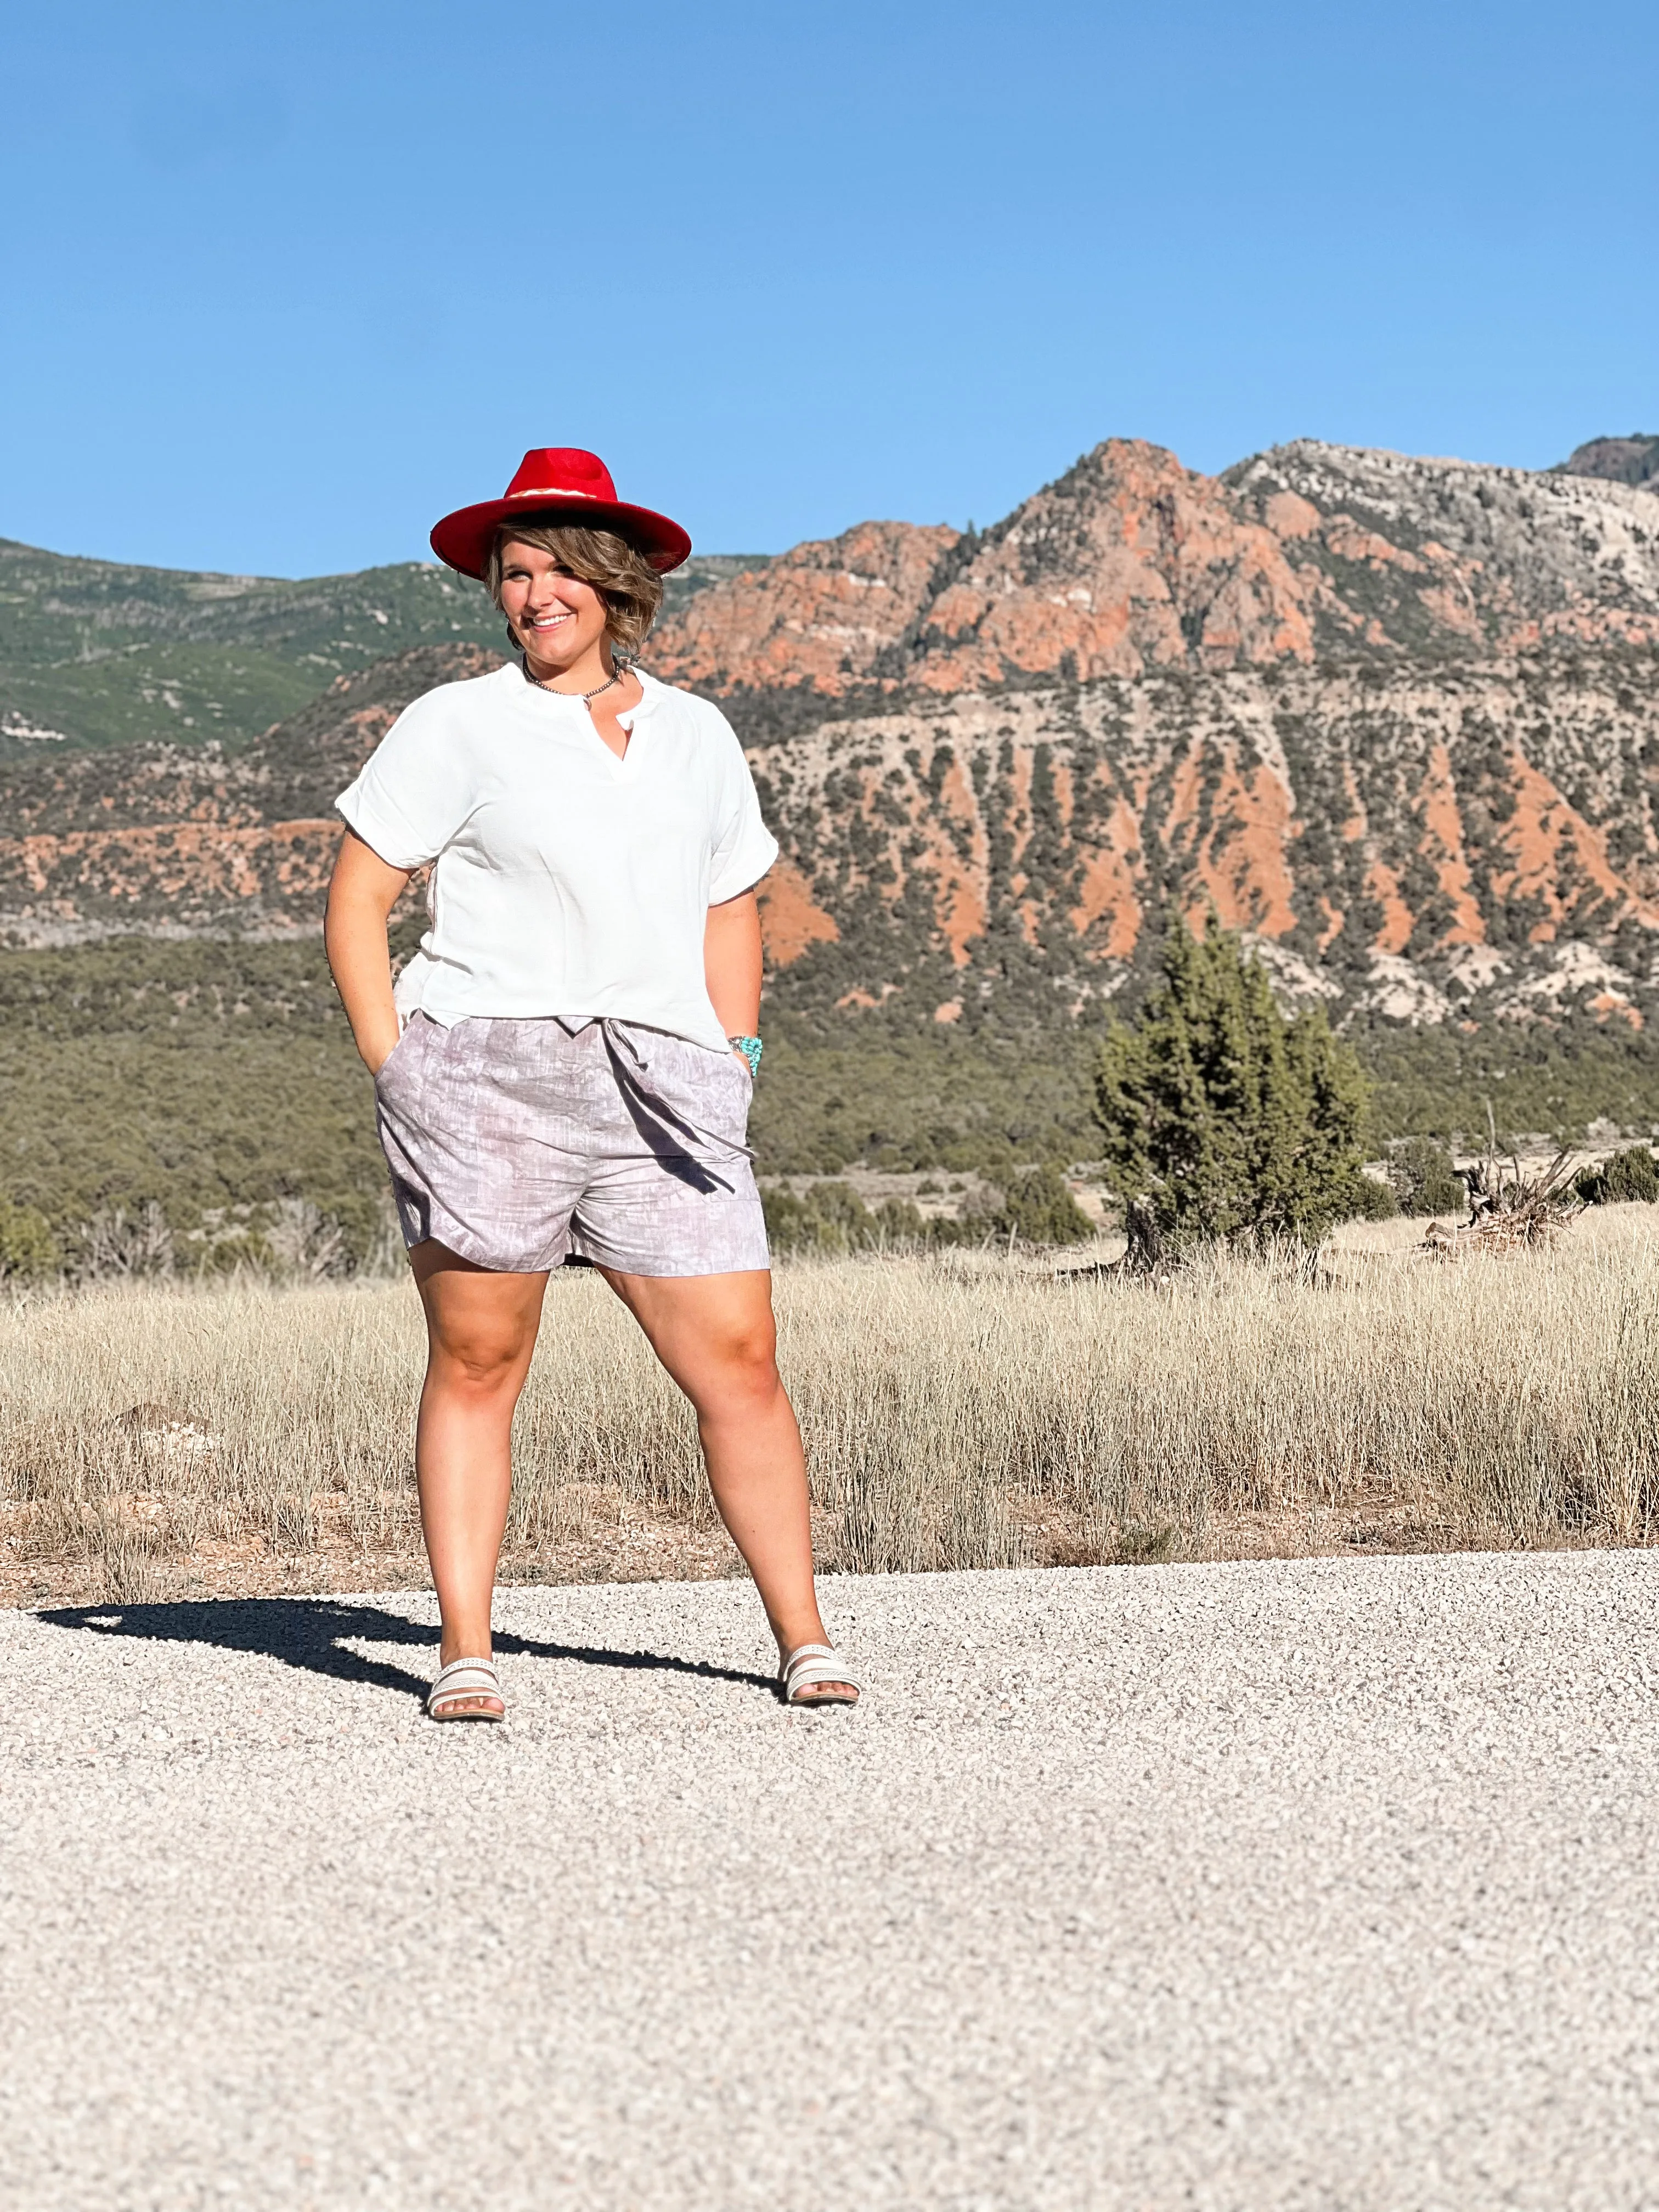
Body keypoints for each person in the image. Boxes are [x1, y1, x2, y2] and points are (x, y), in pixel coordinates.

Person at [324, 448, 858, 1721]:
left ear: (616, 583)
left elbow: (736, 902)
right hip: (486, 1067)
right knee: (476, 1355)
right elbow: (359, 897)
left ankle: (806, 1638)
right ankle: (466, 1650)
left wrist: (736, 1060)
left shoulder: (698, 733)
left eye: (559, 567)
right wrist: (394, 1062)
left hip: (667, 1079)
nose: (534, 592)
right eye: (514, 574)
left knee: (741, 1360)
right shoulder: (455, 723)